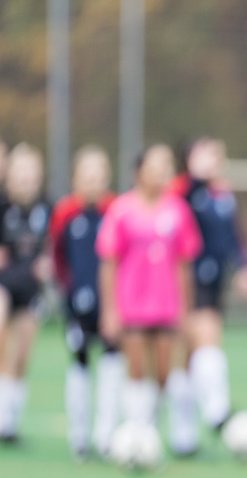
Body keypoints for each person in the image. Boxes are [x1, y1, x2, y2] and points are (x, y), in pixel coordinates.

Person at [97, 144, 202, 436]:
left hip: (166, 304)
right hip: (132, 304)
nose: (161, 172)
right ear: (139, 171)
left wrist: (186, 309)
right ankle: (135, 429)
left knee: (164, 372)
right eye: (154, 166)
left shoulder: (178, 210)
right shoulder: (122, 210)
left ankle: (152, 426)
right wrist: (110, 310)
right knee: (136, 369)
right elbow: (109, 263)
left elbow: (184, 264)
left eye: (166, 166)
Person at [168, 136, 247, 454]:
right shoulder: (180, 192)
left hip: (214, 280)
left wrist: (246, 267)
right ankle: (217, 412)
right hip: (185, 281)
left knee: (189, 356)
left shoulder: (223, 194)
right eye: (205, 154)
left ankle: (184, 436)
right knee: (202, 342)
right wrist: (196, 177)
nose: (213, 160)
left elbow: (234, 236)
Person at [49, 145, 122, 458]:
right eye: (86, 175)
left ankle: (106, 435)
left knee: (112, 363)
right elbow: (57, 258)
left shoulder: (116, 211)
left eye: (98, 174)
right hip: (76, 306)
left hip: (112, 305)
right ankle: (79, 437)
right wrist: (66, 292)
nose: (92, 181)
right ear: (74, 178)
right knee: (79, 363)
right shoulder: (65, 214)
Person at [0, 144, 54, 443]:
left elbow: (53, 248)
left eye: (31, 172)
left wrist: (48, 263)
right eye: (20, 172)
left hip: (30, 290)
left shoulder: (46, 209)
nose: (25, 178)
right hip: (4, 284)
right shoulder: (3, 206)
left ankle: (10, 421)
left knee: (22, 355)